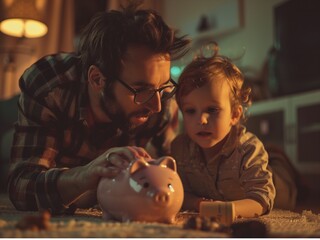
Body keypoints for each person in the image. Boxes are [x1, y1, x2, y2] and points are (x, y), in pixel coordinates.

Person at [7, 2, 190, 214]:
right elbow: (21, 188)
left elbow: (172, 180)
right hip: (42, 133)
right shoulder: (50, 85)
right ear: (97, 79)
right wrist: (85, 175)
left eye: (162, 87)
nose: (156, 105)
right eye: (141, 89)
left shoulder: (163, 102)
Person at [171, 46, 276, 218]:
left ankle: (280, 161)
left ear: (234, 115)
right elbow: (179, 193)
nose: (201, 120)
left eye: (212, 110)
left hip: (276, 177)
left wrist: (228, 210)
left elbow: (261, 198)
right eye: (190, 111)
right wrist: (200, 204)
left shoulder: (248, 149)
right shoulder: (179, 149)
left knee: (287, 188)